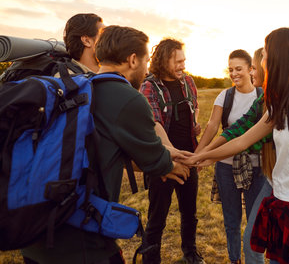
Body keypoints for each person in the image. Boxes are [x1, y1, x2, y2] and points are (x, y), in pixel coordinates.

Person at [184, 28, 289, 264]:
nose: (261, 62)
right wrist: (200, 157)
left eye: (264, 55)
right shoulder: (283, 102)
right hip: (286, 206)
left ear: (280, 58)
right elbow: (243, 139)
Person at [21, 25, 189, 264]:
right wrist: (178, 165)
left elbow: (121, 149)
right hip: (80, 241)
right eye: (145, 61)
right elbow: (152, 159)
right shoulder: (129, 97)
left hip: (39, 230)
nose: (146, 68)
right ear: (132, 60)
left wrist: (167, 153)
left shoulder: (79, 88)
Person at [198, 48, 272, 264]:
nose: (234, 73)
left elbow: (244, 134)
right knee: (231, 220)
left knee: (253, 221)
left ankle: (253, 258)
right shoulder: (226, 95)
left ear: (251, 69)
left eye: (238, 69)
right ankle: (234, 259)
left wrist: (203, 156)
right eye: (231, 69)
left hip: (256, 167)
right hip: (226, 166)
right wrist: (200, 154)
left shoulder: (262, 96)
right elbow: (214, 126)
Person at [139, 38, 204, 264]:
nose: (182, 66)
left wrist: (194, 124)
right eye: (177, 61)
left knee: (190, 213)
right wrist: (173, 155)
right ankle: (151, 258)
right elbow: (154, 124)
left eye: (184, 61)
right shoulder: (149, 86)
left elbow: (194, 107)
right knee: (157, 216)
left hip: (189, 158)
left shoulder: (188, 82)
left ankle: (190, 253)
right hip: (163, 160)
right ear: (164, 59)